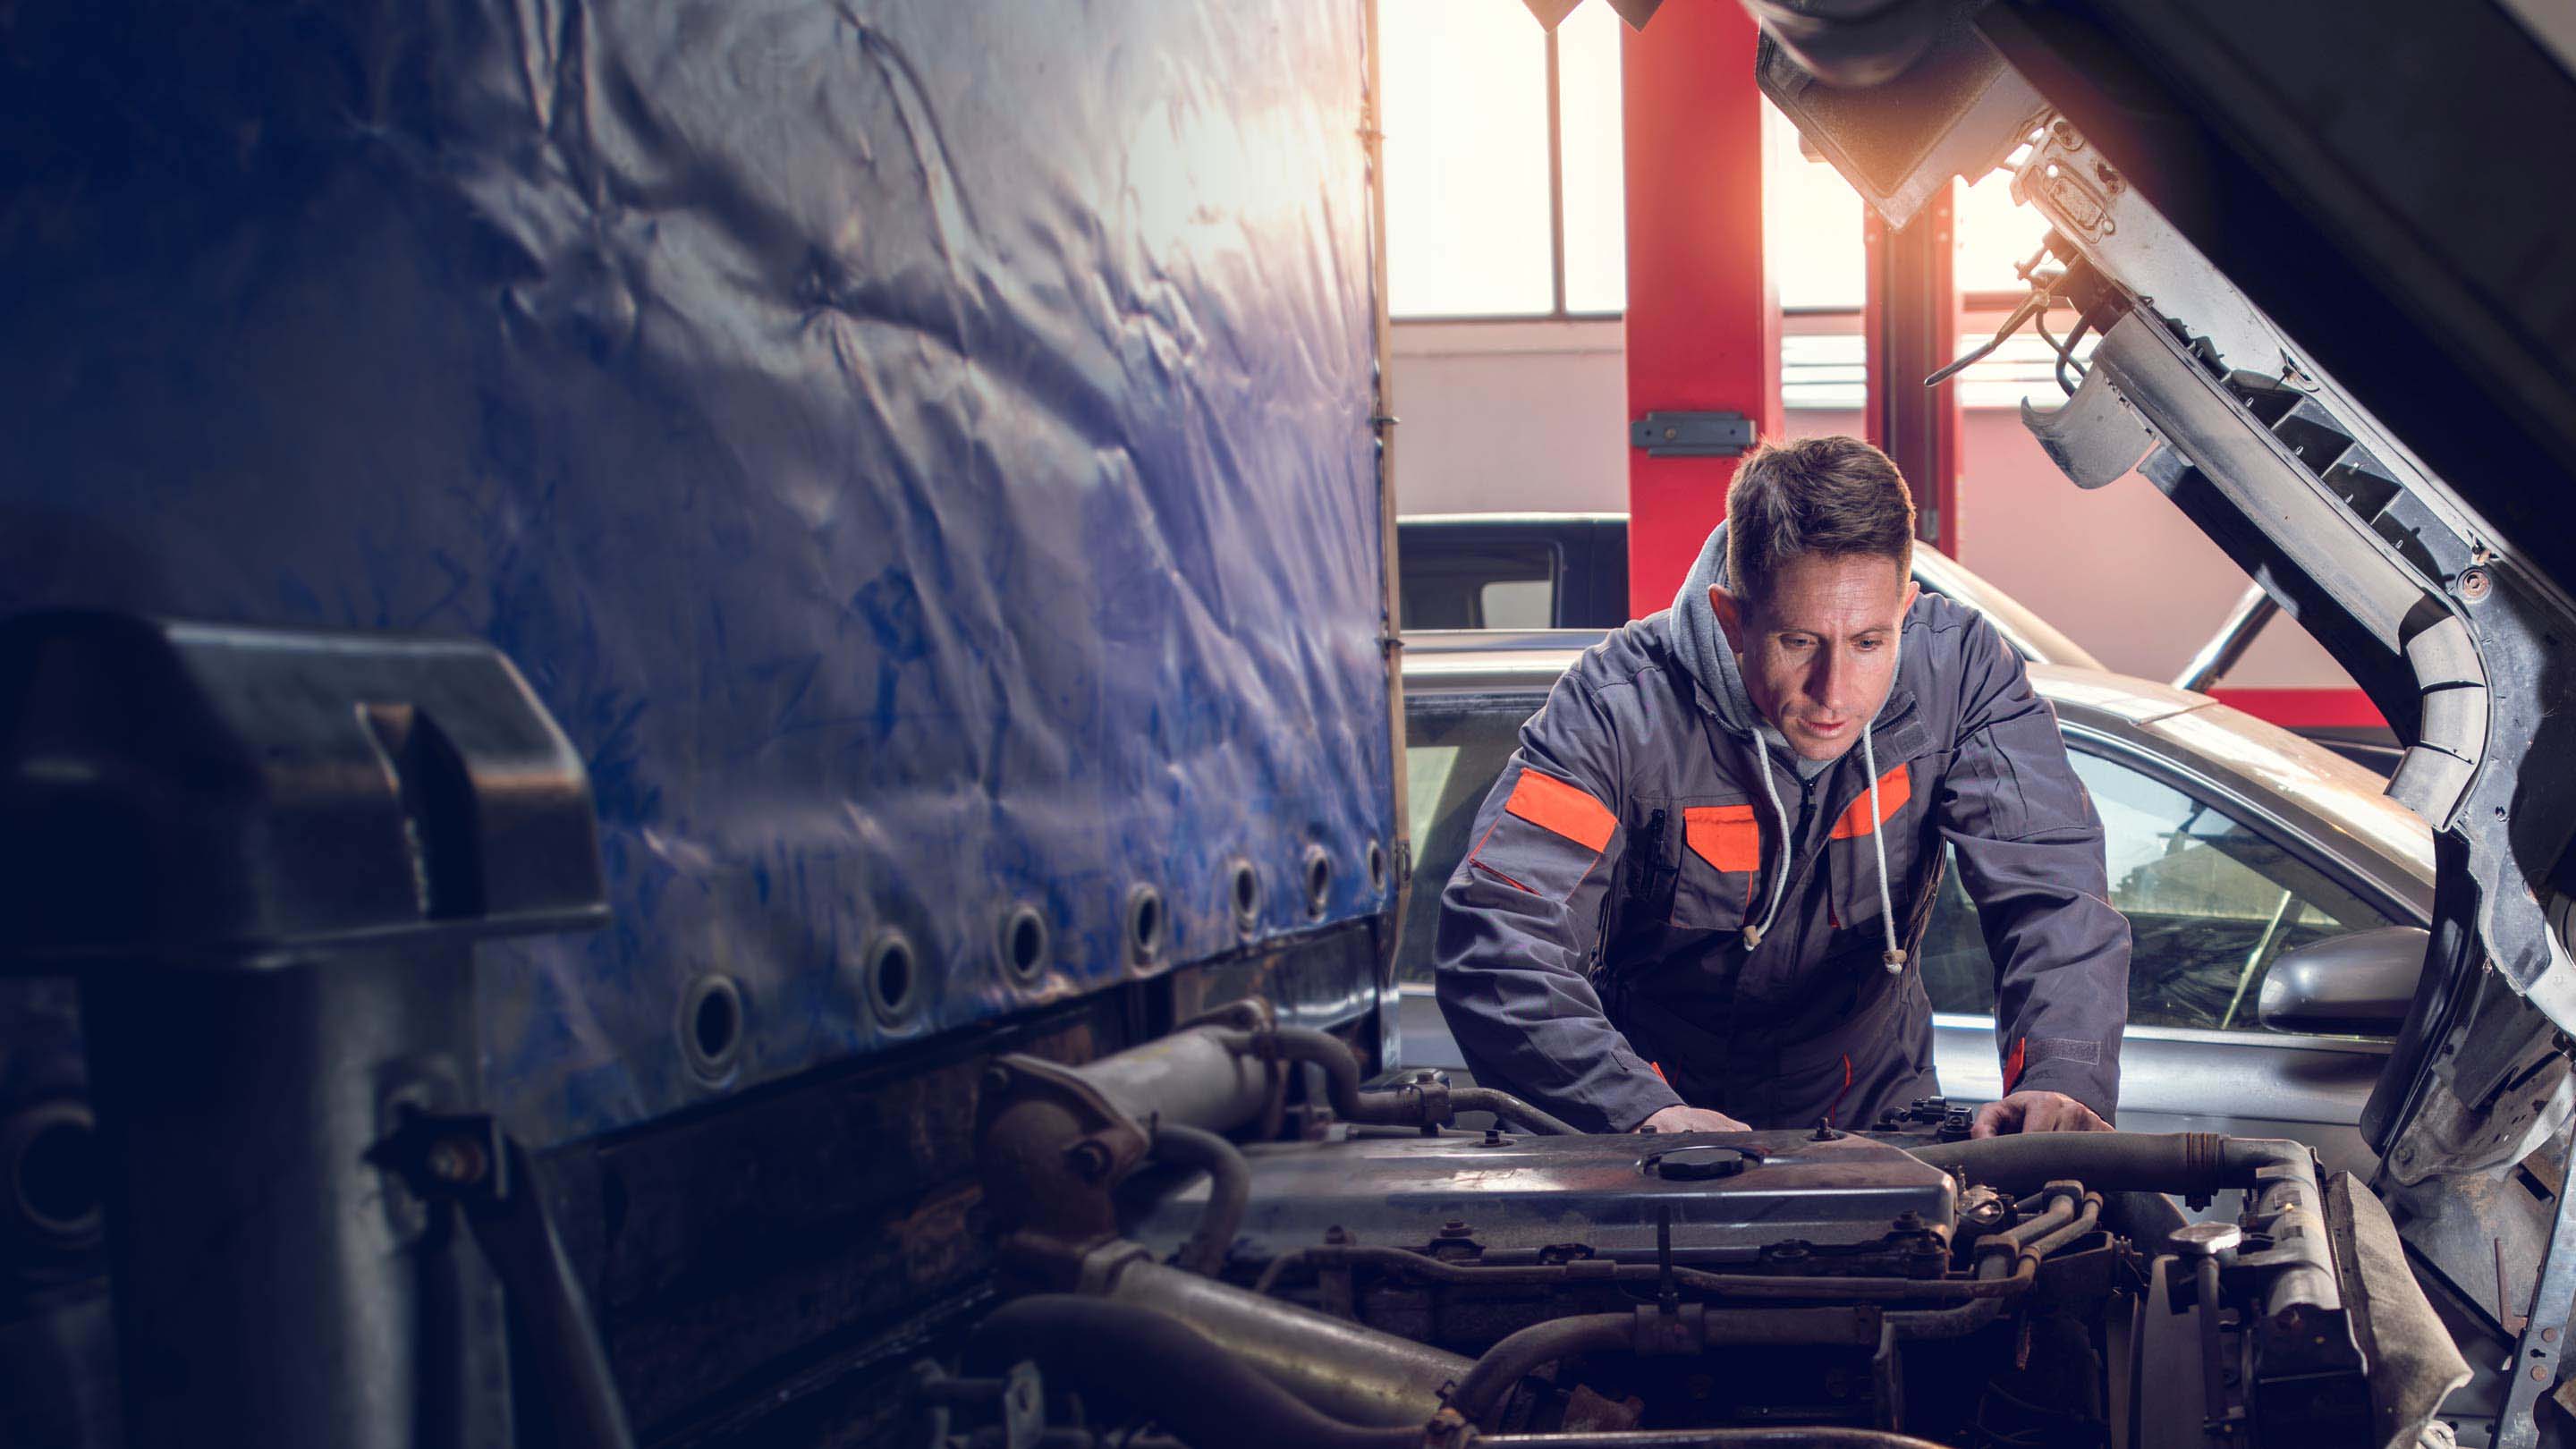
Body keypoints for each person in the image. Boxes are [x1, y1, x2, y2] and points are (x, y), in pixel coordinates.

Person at [1433, 436, 2128, 1139]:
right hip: (1656, 1135)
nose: (1834, 692)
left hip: (1879, 1125)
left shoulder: (1964, 675)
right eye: (1799, 642)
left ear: (1905, 607)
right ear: (1733, 619)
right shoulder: (1614, 713)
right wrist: (1637, 1111)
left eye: (1868, 642)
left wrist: (2060, 1078)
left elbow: (2055, 895)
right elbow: (1500, 931)